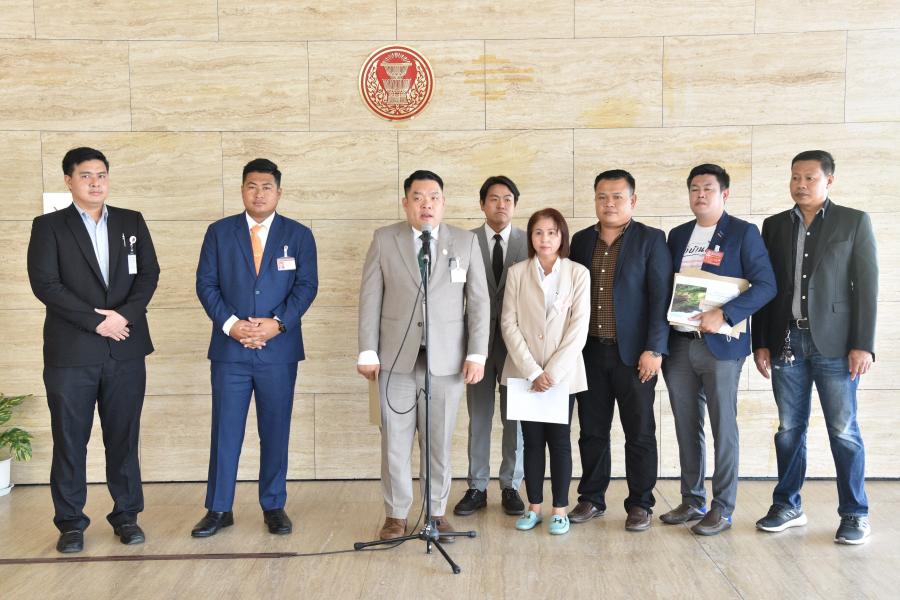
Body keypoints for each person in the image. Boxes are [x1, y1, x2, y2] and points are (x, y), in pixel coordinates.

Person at [27, 147, 160, 553]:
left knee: (124, 438)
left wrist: (124, 316)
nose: (95, 182)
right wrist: (97, 321)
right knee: (70, 440)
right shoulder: (49, 226)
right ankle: (71, 523)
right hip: (72, 354)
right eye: (86, 176)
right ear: (69, 181)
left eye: (101, 175)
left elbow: (149, 274)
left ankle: (127, 517)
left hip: (125, 348)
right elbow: (45, 284)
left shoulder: (131, 221)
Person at [752, 150, 877, 545]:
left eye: (809, 178)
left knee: (843, 430)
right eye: (795, 177)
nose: (800, 185)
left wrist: (863, 345)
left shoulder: (853, 221)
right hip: (786, 341)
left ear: (829, 180)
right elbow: (766, 288)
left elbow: (867, 287)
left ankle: (855, 513)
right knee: (789, 429)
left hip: (837, 346)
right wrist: (760, 342)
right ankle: (787, 505)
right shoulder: (774, 226)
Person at [357, 170, 489, 542]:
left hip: (447, 363)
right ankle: (396, 516)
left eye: (433, 197)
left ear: (443, 203)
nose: (426, 204)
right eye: (418, 197)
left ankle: (436, 512)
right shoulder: (385, 239)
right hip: (394, 361)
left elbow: (479, 303)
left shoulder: (464, 241)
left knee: (438, 442)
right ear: (406, 203)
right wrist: (367, 350)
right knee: (394, 442)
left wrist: (477, 354)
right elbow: (370, 298)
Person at [192, 158, 318, 538]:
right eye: (252, 186)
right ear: (242, 190)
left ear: (279, 192)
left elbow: (307, 286)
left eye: (266, 187)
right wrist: (232, 325)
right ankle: (218, 508)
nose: (259, 193)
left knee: (275, 429)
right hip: (230, 351)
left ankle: (273, 505)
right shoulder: (219, 232)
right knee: (225, 431)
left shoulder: (298, 234)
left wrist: (277, 324)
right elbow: (206, 284)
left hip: (278, 351)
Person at [660, 164, 776, 535]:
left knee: (723, 427)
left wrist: (725, 314)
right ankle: (692, 500)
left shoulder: (743, 232)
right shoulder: (678, 235)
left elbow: (766, 285)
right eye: (694, 188)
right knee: (686, 425)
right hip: (680, 345)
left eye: (708, 188)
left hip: (721, 346)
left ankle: (722, 508)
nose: (700, 195)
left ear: (724, 194)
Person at [568, 169, 672, 532]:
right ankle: (591, 498)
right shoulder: (581, 241)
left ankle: (640, 503)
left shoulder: (651, 239)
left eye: (617, 196)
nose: (609, 203)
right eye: (602, 197)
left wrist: (655, 349)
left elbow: (661, 298)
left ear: (633, 200)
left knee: (639, 432)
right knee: (592, 431)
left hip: (635, 356)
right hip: (590, 354)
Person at [500, 208, 590, 535]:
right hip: (525, 374)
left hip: (562, 376)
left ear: (562, 236)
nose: (545, 239)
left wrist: (551, 372)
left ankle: (560, 510)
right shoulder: (517, 272)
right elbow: (508, 323)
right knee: (532, 441)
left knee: (560, 441)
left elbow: (579, 328)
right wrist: (532, 371)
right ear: (531, 237)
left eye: (552, 232)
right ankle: (534, 507)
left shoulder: (577, 273)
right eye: (538, 232)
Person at [454, 176, 528, 518]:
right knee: (479, 416)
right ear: (482, 204)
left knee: (515, 418)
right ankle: (477, 486)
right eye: (494, 199)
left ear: (515, 205)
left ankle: (511, 485)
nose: (501, 204)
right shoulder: (463, 241)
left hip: (517, 345)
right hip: (476, 345)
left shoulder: (530, 241)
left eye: (507, 199)